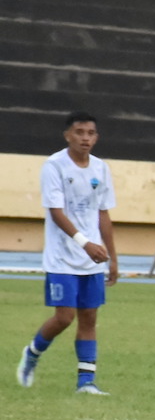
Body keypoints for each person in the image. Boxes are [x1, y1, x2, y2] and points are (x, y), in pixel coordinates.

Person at [18, 111, 117, 394]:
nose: (85, 138)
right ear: (68, 135)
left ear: (96, 137)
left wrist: (113, 257)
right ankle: (32, 353)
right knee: (64, 317)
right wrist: (85, 243)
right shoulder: (55, 166)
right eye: (79, 132)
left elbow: (104, 213)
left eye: (90, 133)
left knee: (89, 318)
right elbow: (56, 212)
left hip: (93, 258)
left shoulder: (100, 169)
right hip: (62, 257)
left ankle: (86, 382)